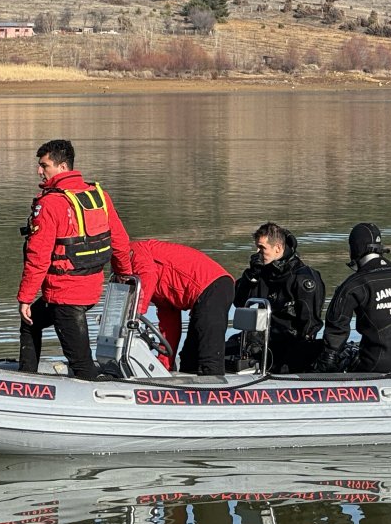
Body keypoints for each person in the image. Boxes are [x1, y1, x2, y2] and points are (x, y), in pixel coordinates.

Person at [17, 139, 131, 380]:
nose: (39, 171)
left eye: (44, 165)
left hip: (65, 295)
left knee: (81, 365)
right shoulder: (98, 196)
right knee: (31, 323)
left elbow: (38, 257)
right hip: (90, 290)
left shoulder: (51, 203)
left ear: (62, 167)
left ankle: (86, 393)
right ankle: (26, 378)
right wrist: (124, 275)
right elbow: (120, 241)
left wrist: (25, 297)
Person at [315, 223, 391, 374]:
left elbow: (336, 328)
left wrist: (326, 364)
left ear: (355, 249)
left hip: (373, 366)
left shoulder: (353, 285)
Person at [130, 239, 233, 376]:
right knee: (189, 361)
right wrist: (165, 366)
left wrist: (134, 315)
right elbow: (169, 326)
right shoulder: (160, 288)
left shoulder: (135, 251)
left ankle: (217, 391)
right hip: (203, 294)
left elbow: (147, 274)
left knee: (209, 359)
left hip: (213, 286)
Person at [232, 222, 325, 372]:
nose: (257, 252)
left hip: (291, 343)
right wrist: (251, 276)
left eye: (262, 248)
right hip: (264, 340)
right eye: (257, 247)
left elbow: (310, 326)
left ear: (278, 248)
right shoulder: (262, 272)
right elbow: (239, 302)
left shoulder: (303, 279)